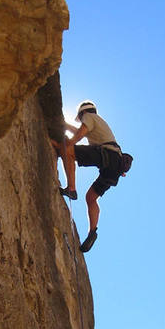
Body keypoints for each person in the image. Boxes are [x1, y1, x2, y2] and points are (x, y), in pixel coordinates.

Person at [52, 101, 125, 252]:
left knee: (68, 149)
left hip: (107, 155)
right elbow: (78, 130)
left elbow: (80, 133)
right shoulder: (98, 123)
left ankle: (71, 188)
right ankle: (93, 231)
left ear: (82, 113)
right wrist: (63, 124)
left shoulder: (89, 116)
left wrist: (65, 146)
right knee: (91, 198)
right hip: (114, 165)